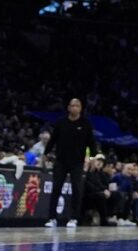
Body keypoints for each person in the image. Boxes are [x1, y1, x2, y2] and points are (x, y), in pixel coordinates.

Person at [44, 98, 97, 228]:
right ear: (68, 108)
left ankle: (73, 218)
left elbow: (91, 142)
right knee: (56, 188)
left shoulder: (85, 123)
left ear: (80, 108)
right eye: (72, 105)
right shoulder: (61, 122)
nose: (74, 108)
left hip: (77, 162)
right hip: (61, 161)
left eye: (77, 105)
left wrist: (93, 159)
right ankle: (52, 218)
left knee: (76, 189)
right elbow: (53, 140)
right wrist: (45, 154)